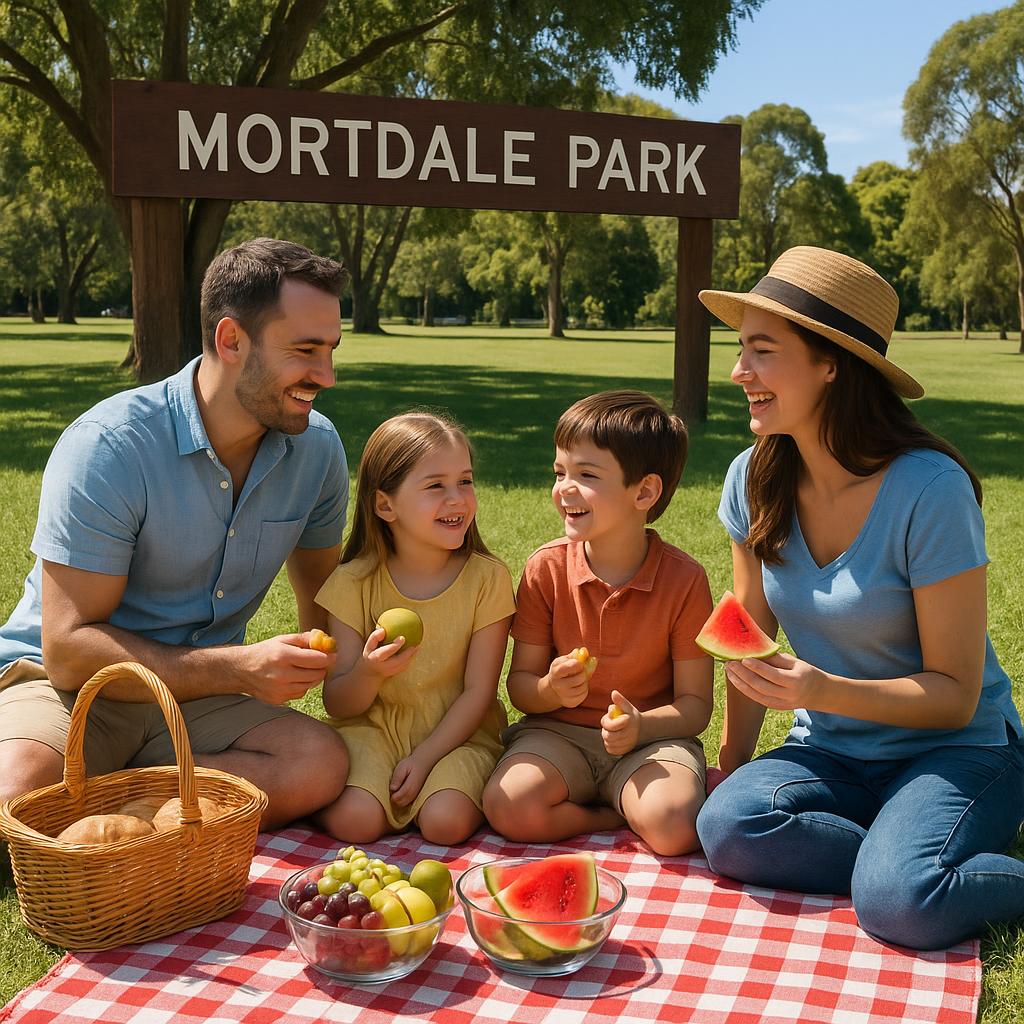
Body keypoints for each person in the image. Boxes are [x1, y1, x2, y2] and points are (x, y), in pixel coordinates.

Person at [694, 246, 1024, 950]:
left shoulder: (929, 490)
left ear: (831, 364)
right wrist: (730, 764)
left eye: (761, 350)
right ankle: (902, 848)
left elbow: (954, 696)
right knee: (726, 828)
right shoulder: (751, 478)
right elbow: (746, 635)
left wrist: (820, 687)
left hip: (959, 750)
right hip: (834, 752)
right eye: (739, 349)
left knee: (900, 904)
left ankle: (909, 863)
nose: (738, 371)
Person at [0, 237, 352, 828]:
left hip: (197, 701)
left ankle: (114, 804)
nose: (327, 375)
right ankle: (144, 798)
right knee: (12, 800)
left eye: (331, 351)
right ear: (231, 340)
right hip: (70, 688)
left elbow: (327, 610)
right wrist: (238, 669)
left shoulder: (316, 452)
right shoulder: (111, 446)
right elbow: (67, 650)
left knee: (317, 764)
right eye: (306, 350)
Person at [483, 391, 714, 856]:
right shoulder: (544, 569)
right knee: (509, 805)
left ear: (644, 492)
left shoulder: (685, 580)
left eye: (586, 475)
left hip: (650, 741)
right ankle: (609, 815)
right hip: (557, 735)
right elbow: (520, 687)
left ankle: (625, 805)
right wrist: (549, 690)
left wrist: (641, 726)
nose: (564, 487)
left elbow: (695, 706)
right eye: (560, 472)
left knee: (673, 827)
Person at [314, 411, 515, 846]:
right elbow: (338, 702)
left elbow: (479, 692)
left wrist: (424, 759)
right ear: (386, 505)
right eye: (435, 486)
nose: (458, 499)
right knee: (355, 822)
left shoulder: (487, 579)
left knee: (444, 822)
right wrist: (369, 672)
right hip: (374, 732)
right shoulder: (352, 583)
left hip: (458, 735)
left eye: (465, 481)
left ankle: (430, 793)